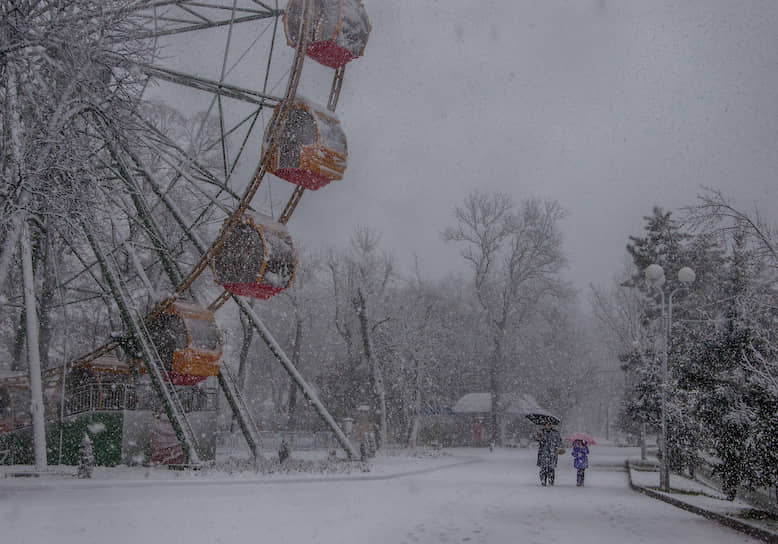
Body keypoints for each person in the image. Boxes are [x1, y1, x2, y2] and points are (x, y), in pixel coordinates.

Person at [535, 421, 562, 486]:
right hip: (543, 453)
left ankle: (551, 481)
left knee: (551, 468)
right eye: (547, 424)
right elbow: (537, 439)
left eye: (550, 424)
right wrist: (539, 436)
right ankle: (543, 481)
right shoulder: (541, 432)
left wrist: (559, 448)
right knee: (543, 468)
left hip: (552, 453)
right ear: (545, 425)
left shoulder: (555, 433)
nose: (549, 425)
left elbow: (559, 441)